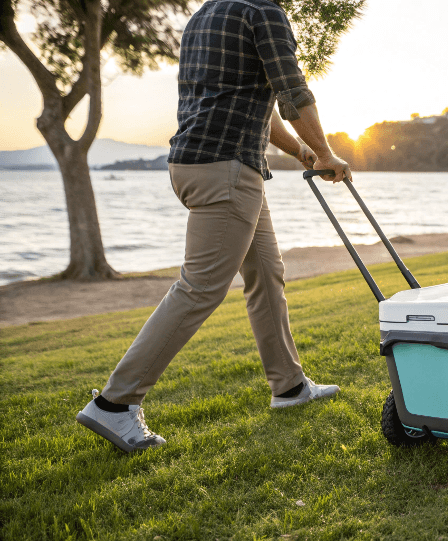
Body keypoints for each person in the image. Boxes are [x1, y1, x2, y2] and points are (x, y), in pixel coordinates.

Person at [76, 0, 350, 453]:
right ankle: (115, 404)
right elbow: (292, 92)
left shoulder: (206, 14)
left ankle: (289, 386)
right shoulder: (264, 12)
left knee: (266, 272)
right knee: (200, 288)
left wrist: (302, 151)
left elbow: (249, 105)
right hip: (226, 171)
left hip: (203, 163)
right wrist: (325, 152)